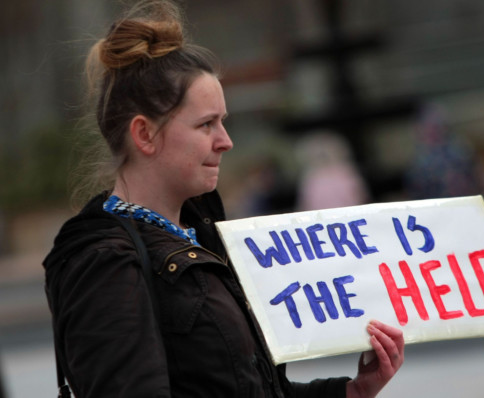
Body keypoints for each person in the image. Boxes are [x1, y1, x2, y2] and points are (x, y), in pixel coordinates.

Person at [42, 1, 404, 397]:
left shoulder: (202, 234)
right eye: (205, 124)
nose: (225, 141)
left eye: (223, 122)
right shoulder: (105, 261)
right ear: (144, 134)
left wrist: (350, 391)